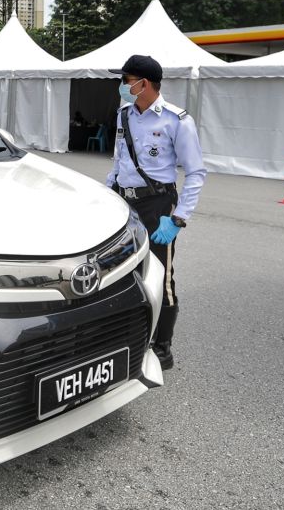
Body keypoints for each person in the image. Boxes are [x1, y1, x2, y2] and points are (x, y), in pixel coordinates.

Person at [105, 55, 206, 370]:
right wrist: (107, 193)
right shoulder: (124, 115)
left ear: (143, 84)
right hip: (124, 201)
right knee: (119, 270)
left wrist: (178, 218)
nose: (122, 85)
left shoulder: (177, 120)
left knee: (161, 273)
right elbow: (119, 160)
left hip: (158, 204)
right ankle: (127, 334)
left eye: (126, 79)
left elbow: (196, 173)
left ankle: (162, 346)